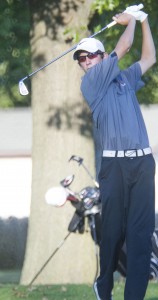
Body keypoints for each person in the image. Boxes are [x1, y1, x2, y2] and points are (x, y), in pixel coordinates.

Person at [73, 6, 156, 300]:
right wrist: (130, 20)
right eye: (81, 59)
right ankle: (104, 283)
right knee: (112, 231)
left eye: (90, 56)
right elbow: (124, 46)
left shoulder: (124, 79)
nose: (85, 62)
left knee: (141, 233)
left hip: (143, 162)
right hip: (114, 165)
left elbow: (149, 58)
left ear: (100, 55)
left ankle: (134, 296)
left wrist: (144, 21)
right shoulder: (91, 83)